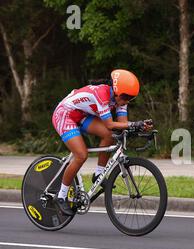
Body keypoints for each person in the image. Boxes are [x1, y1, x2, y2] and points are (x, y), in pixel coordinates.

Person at [52, 69, 152, 216]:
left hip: (82, 116)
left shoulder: (121, 99)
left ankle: (98, 174)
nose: (126, 101)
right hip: (65, 115)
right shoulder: (101, 94)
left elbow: (123, 124)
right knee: (81, 155)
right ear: (116, 91)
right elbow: (111, 124)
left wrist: (139, 127)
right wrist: (134, 124)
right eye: (125, 97)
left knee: (110, 136)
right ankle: (61, 196)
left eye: (130, 98)